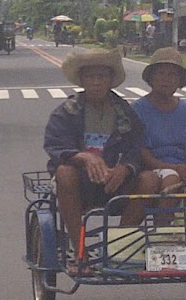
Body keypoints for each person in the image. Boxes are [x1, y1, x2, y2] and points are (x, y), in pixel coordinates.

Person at [43, 46, 158, 272]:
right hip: (80, 183)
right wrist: (83, 157)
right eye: (90, 76)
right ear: (82, 80)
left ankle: (118, 246)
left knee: (150, 180)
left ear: (110, 80)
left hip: (115, 183)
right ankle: (80, 253)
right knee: (64, 173)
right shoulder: (66, 111)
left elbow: (137, 147)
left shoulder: (125, 111)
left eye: (102, 76)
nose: (96, 82)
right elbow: (55, 145)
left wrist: (125, 168)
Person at [132, 47, 186, 209]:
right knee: (172, 180)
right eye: (161, 73)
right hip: (155, 169)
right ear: (151, 78)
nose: (166, 79)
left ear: (179, 81)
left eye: (172, 75)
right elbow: (143, 154)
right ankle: (163, 223)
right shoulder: (138, 109)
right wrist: (174, 168)